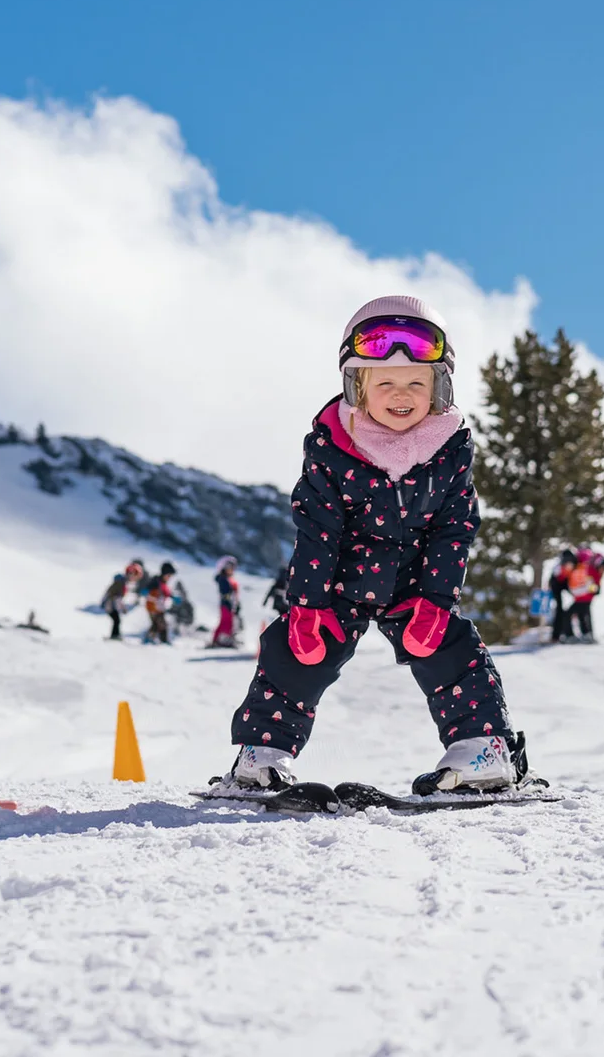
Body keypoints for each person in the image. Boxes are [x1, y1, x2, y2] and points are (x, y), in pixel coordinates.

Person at [214, 295, 534, 797]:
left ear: (440, 387)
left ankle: (483, 750)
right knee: (298, 653)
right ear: (357, 387)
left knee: (452, 648)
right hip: (342, 576)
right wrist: (307, 604)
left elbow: (455, 526)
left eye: (415, 383)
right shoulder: (333, 445)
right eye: (383, 382)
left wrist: (436, 599)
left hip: (414, 581)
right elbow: (318, 528)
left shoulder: (449, 448)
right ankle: (261, 755)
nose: (400, 394)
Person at [566, 549, 604, 642]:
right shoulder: (590, 567)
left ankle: (582, 634)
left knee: (577, 615)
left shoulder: (593, 570)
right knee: (582, 615)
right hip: (582, 596)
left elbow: (592, 585)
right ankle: (586, 634)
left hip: (585, 597)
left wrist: (593, 589)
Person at [102, 561, 143, 640]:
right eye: (136, 576)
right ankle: (115, 636)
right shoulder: (122, 583)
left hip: (111, 604)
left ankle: (116, 635)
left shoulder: (124, 582)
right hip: (110, 604)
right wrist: (122, 608)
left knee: (117, 620)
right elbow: (116, 598)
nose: (136, 579)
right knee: (117, 620)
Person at [208, 556, 242, 648]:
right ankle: (219, 640)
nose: (232, 570)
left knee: (228, 622)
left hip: (229, 604)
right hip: (226, 604)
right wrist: (230, 601)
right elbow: (226, 593)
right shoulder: (223, 579)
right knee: (225, 622)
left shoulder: (227, 579)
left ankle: (224, 640)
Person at [143, 561, 176, 644]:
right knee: (158, 623)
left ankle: (161, 640)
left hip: (159, 607)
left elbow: (167, 593)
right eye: (168, 575)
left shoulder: (163, 583)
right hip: (153, 607)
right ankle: (152, 639)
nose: (169, 577)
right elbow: (148, 588)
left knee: (160, 624)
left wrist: (173, 597)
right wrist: (146, 591)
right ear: (164, 573)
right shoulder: (156, 580)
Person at [548, 548, 577, 643]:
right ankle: (556, 636)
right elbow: (553, 583)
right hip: (556, 586)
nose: (570, 565)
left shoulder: (573, 566)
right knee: (559, 611)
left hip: (565, 585)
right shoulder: (557, 568)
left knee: (570, 610)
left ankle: (566, 633)